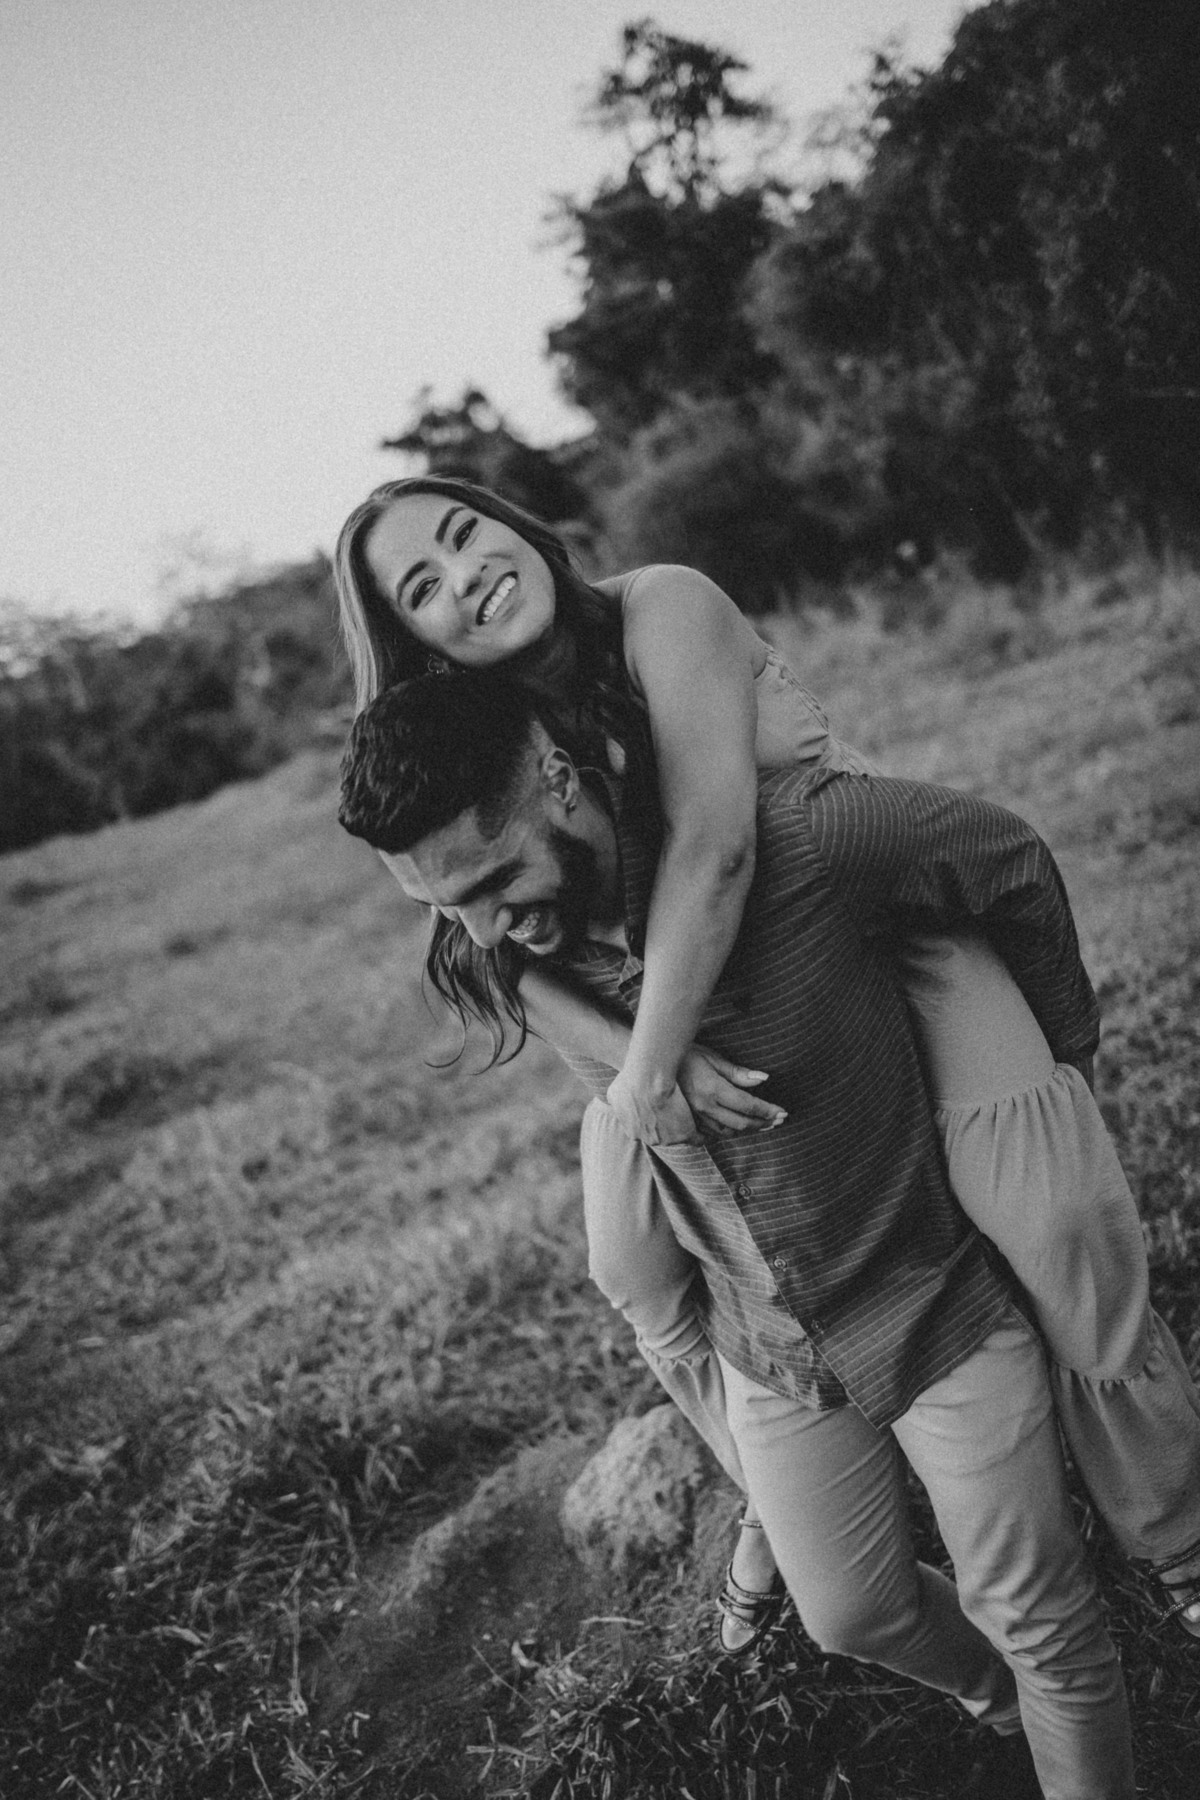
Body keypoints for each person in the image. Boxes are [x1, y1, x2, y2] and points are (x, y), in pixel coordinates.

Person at [333, 476, 1200, 1650]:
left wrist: (656, 1064)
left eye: (464, 533)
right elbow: (476, 942)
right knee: (633, 1264)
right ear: (414, 642)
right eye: (422, 585)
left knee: (1056, 1219)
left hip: (870, 926)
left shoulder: (662, 607)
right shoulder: (477, 735)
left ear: (514, 527)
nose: (466, 574)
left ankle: (1171, 1525)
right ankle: (769, 1494)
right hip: (675, 1015)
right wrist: (646, 1064)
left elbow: (718, 844)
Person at [339, 673, 1139, 1799]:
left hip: (932, 1301)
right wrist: (625, 1042)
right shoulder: (512, 937)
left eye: (488, 883)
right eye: (440, 905)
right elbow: (485, 949)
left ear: (560, 782)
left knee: (1043, 1619)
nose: (478, 931)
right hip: (766, 1341)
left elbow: (1005, 856)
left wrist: (1060, 1071)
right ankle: (1004, 1706)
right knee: (852, 1612)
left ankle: (1069, 1713)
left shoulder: (804, 841)